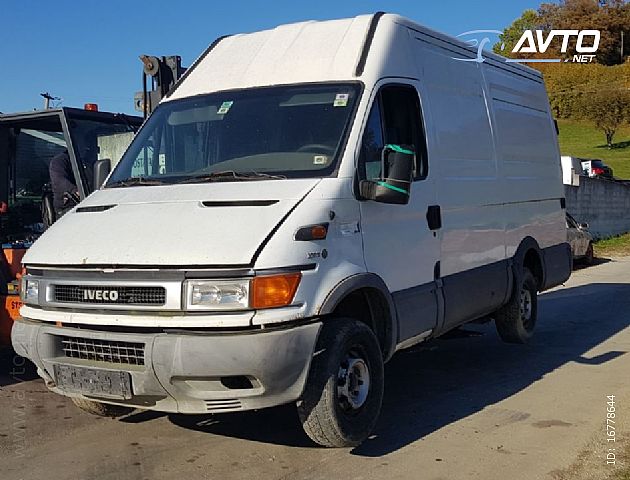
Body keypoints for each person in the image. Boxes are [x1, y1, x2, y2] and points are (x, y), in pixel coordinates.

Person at [49, 149, 79, 217]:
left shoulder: (85, 160)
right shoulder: (58, 161)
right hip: (68, 207)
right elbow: (59, 180)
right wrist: (75, 190)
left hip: (90, 202)